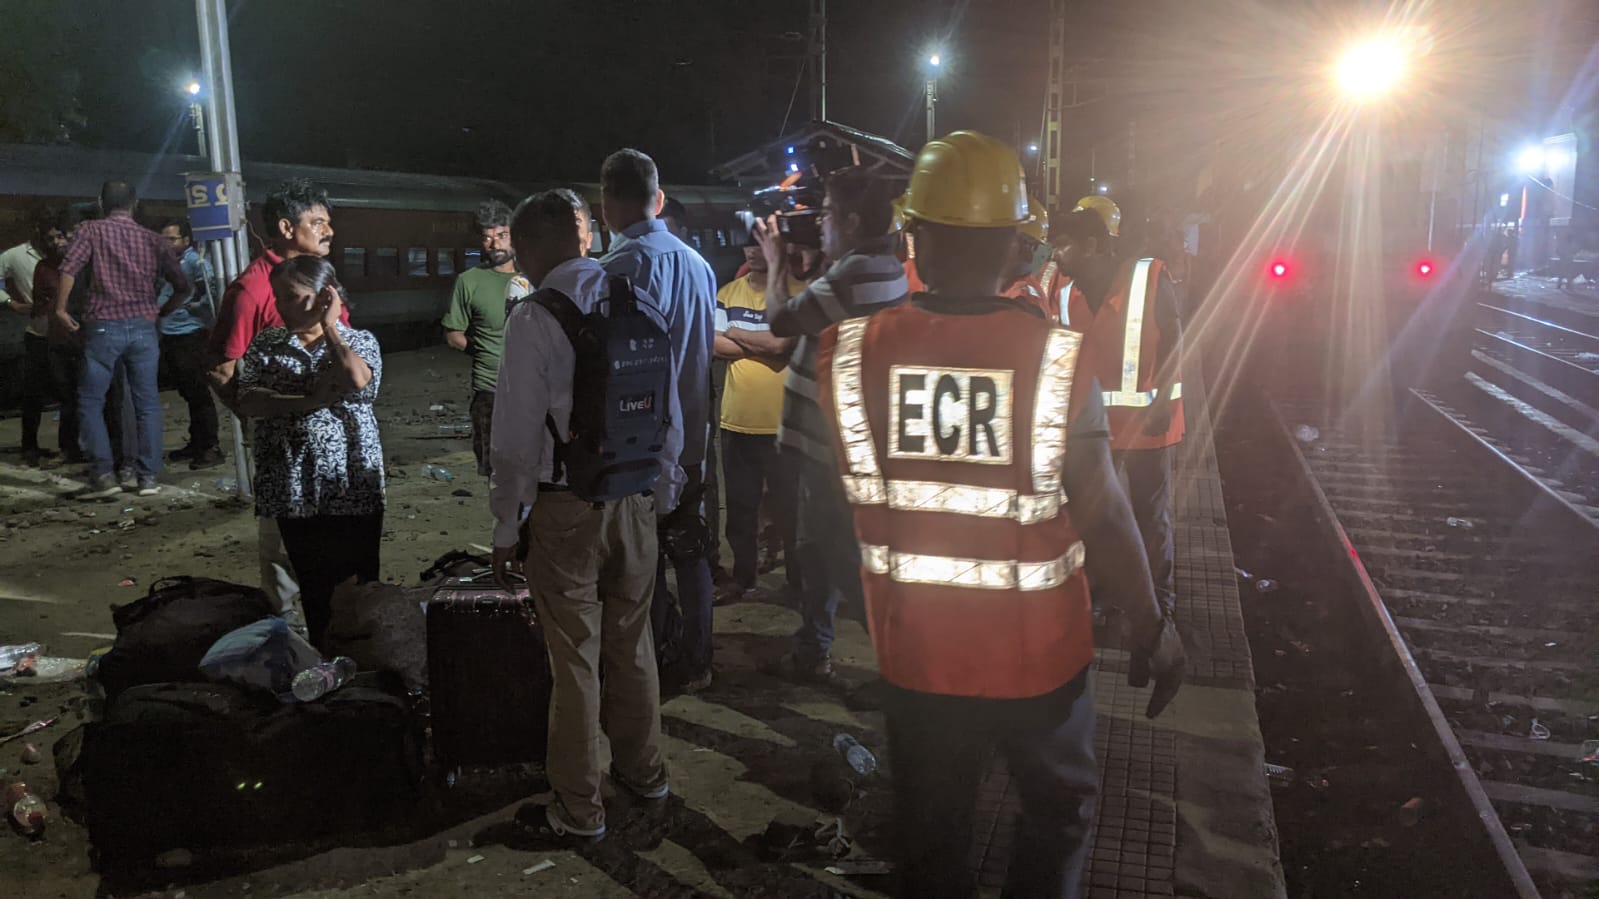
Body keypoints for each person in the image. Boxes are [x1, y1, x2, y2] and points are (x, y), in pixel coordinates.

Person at [814, 132, 1184, 899]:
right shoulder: (1055, 359)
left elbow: (834, 505)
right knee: (1057, 810)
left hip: (915, 653)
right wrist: (1152, 625)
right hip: (1038, 656)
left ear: (912, 234)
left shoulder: (844, 354)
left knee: (932, 834)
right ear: (1014, 245)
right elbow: (1106, 513)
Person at [489, 190, 669, 843]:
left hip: (566, 510)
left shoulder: (534, 317)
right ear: (583, 239)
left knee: (575, 662)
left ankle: (579, 808)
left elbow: (512, 441)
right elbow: (665, 410)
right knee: (633, 644)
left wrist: (506, 527)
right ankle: (646, 774)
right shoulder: (639, 301)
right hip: (637, 500)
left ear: (531, 246)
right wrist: (662, 493)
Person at [752, 166, 907, 684]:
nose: (819, 225)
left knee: (842, 561)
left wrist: (775, 263)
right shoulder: (874, 266)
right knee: (815, 554)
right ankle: (814, 647)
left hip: (835, 450)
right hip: (829, 444)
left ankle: (904, 671)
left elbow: (780, 321)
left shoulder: (858, 272)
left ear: (853, 219)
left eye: (827, 216)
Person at [598, 148, 720, 693]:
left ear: (606, 205)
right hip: (694, 436)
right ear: (659, 199)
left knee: (640, 563)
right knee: (691, 553)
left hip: (639, 446)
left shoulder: (618, 269)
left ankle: (652, 661)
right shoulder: (699, 265)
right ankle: (697, 657)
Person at [209, 179, 346, 631]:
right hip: (283, 452)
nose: (329, 231)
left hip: (334, 445)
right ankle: (287, 641)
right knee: (285, 549)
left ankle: (333, 633)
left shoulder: (320, 278)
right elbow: (221, 369)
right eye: (318, 222)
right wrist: (261, 422)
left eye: (328, 222)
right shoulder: (252, 290)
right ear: (287, 227)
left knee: (333, 545)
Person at [235, 256, 383, 649]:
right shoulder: (267, 342)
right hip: (291, 487)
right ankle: (326, 664)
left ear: (325, 296)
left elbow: (356, 380)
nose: (283, 307)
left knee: (358, 583)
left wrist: (332, 328)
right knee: (314, 584)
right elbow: (248, 399)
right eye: (278, 298)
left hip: (350, 484)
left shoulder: (360, 340)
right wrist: (310, 400)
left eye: (294, 298)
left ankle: (365, 663)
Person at [1054, 207, 1185, 621]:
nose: (1056, 255)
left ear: (1092, 246)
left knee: (1149, 514)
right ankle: (1099, 593)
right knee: (1093, 513)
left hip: (1147, 421)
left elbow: (1175, 338)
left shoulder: (1147, 276)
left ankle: (1159, 599)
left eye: (1063, 246)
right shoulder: (1062, 288)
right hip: (1091, 431)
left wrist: (1163, 399)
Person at [52, 181, 189, 499]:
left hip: (103, 326)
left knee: (90, 401)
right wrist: (160, 311)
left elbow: (70, 268)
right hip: (143, 327)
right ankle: (147, 477)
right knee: (147, 404)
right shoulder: (152, 239)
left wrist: (59, 308)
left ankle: (103, 475)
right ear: (134, 203)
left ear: (101, 202)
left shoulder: (90, 230)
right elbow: (182, 285)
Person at [712, 236, 806, 603]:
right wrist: (762, 340)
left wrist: (735, 333)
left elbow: (782, 345)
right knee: (740, 511)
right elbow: (712, 343)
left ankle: (797, 585)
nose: (752, 252)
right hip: (737, 421)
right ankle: (744, 578)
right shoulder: (726, 292)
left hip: (785, 424)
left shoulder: (796, 292)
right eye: (747, 245)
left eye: (759, 244)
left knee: (792, 511)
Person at [442, 200, 518, 477]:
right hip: (489, 392)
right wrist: (485, 351)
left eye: (501, 235)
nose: (494, 244)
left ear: (514, 235)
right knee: (495, 474)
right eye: (487, 237)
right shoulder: (469, 281)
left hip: (532, 389)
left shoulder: (533, 277)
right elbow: (454, 335)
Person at [3, 209, 70, 467]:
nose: (54, 242)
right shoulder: (16, 255)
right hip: (38, 333)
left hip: (64, 335)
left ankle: (69, 446)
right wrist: (10, 302)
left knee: (67, 393)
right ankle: (29, 446)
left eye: (58, 236)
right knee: (33, 395)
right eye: (48, 237)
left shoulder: (70, 256)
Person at [155, 219, 223, 469]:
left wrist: (192, 309)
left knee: (197, 392)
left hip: (190, 333)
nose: (166, 244)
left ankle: (210, 447)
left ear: (186, 241)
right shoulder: (167, 264)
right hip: (171, 333)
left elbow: (211, 292)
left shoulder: (197, 262)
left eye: (171, 239)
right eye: (163, 239)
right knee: (187, 392)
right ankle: (197, 443)